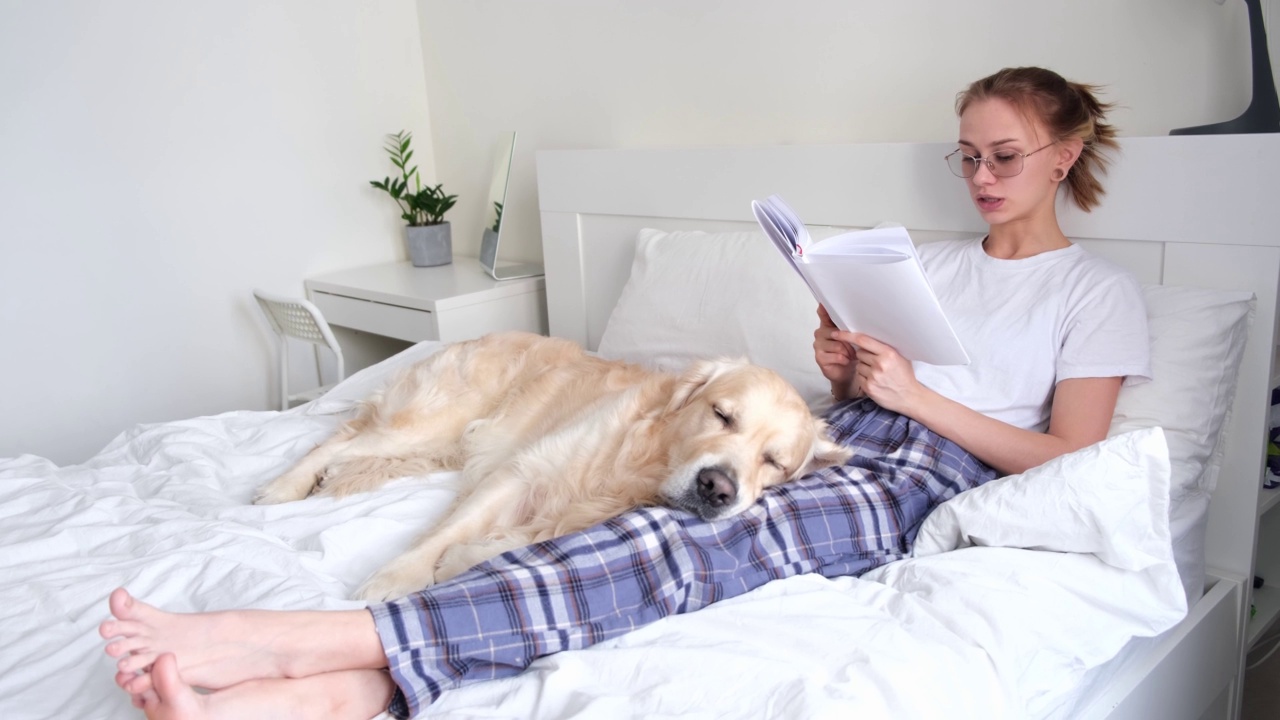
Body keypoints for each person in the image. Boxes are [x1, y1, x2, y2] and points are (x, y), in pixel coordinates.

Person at [98, 66, 1150, 720]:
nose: (978, 175)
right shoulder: (936, 260)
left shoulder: (1091, 291)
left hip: (930, 463)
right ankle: (337, 696)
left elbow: (1070, 460)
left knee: (685, 540)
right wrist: (844, 365)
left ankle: (301, 643)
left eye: (1003, 155)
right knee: (651, 517)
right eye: (965, 154)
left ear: (1061, 156)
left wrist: (915, 401)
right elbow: (869, 383)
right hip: (837, 432)